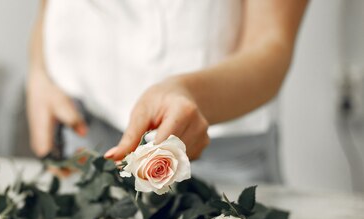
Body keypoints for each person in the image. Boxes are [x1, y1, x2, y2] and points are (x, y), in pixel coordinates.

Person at [26, 0, 308, 184]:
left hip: (214, 152)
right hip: (81, 126)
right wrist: (38, 72)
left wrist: (191, 93)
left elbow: (272, 44)